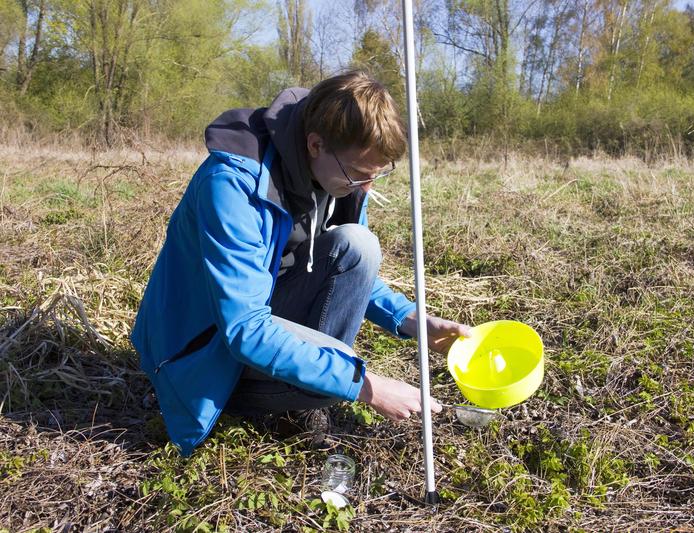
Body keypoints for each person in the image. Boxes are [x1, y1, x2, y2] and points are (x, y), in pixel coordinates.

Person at [131, 71, 470, 456]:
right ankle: (290, 399)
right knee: (343, 367)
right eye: (360, 174)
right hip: (199, 350)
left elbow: (347, 268)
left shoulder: (336, 174)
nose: (367, 188)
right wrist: (363, 386)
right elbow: (244, 329)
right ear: (315, 144)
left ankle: (300, 397)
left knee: (359, 244)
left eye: (376, 176)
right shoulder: (232, 185)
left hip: (258, 316)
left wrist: (413, 321)